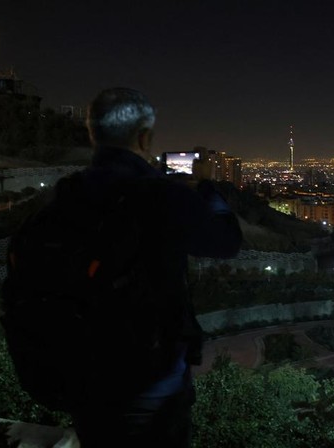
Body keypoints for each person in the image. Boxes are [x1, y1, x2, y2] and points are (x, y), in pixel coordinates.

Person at [66, 87, 242, 446]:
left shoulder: (65, 194)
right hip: (151, 377)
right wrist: (207, 185)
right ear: (145, 137)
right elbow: (227, 242)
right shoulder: (160, 196)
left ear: (92, 134)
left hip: (82, 375)